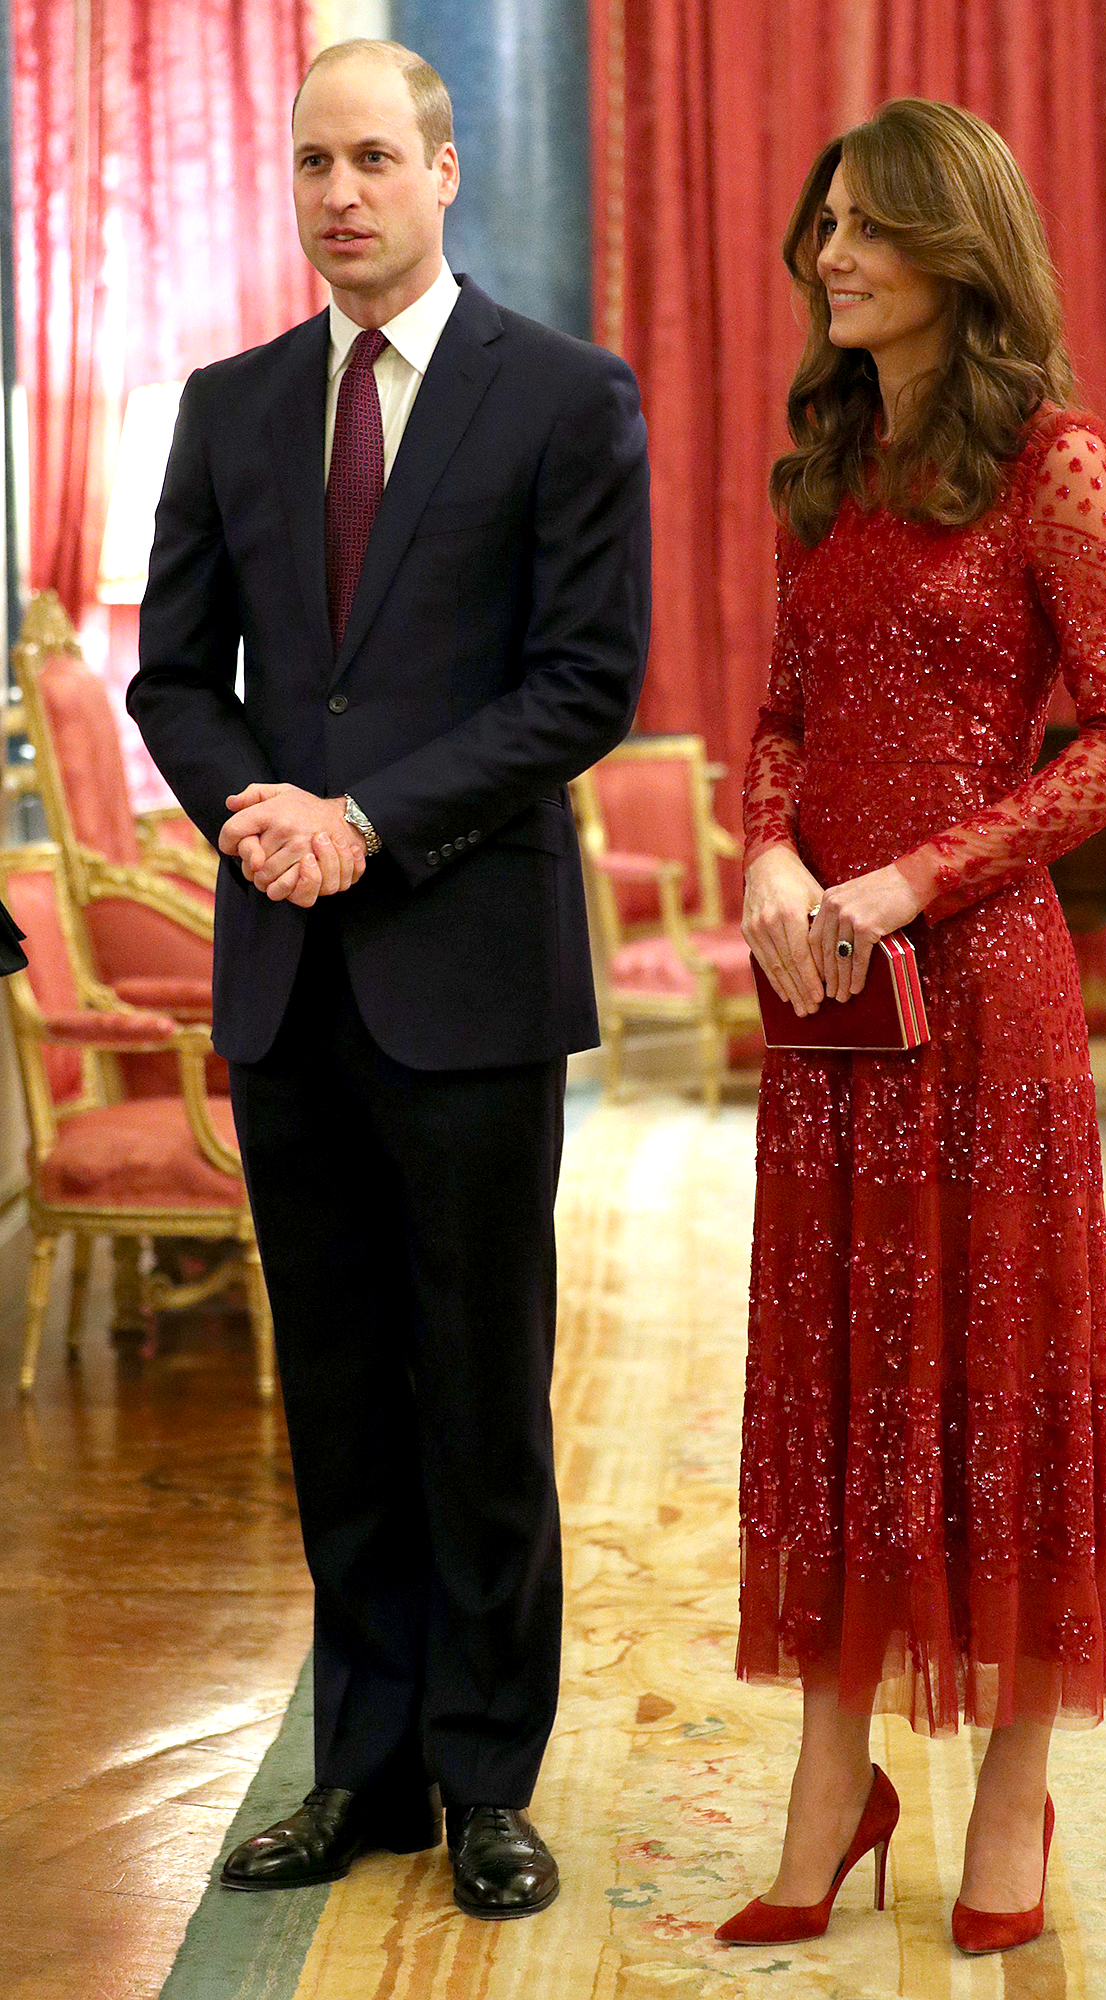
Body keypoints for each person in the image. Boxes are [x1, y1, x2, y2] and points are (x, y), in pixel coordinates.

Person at [129, 38, 650, 1919]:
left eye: (374, 158)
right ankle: (365, 1767)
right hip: (288, 973)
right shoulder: (229, 403)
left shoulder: (566, 398)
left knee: (479, 1385)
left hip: (471, 968)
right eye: (311, 164)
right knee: (340, 1388)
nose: (339, 193)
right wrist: (257, 816)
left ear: (445, 171)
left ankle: (487, 1767)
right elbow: (172, 672)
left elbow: (586, 684)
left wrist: (369, 818)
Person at [720, 99, 1106, 1956]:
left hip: (984, 1001)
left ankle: (1007, 1785)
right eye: (823, 226)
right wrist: (763, 853)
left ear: (954, 249)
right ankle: (837, 1786)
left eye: (867, 230)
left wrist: (915, 879)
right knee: (844, 1381)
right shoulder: (825, 460)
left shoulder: (1050, 462)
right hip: (829, 1009)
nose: (831, 254)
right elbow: (783, 721)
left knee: (993, 1393)